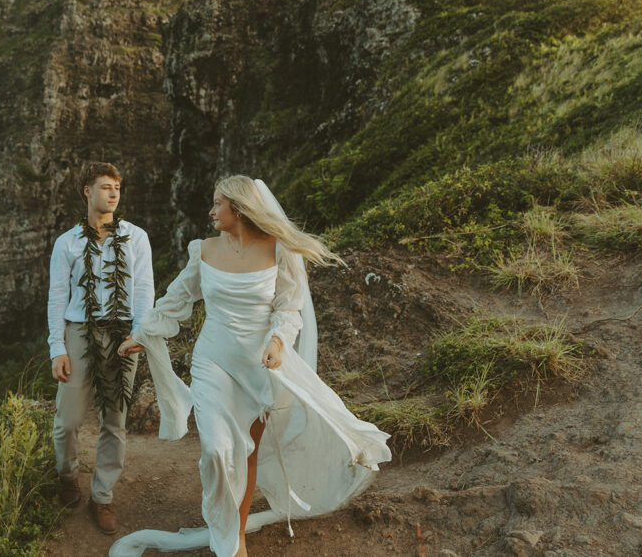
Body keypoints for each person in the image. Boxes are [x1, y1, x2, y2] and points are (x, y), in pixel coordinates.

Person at [111, 175, 391, 557]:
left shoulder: (278, 251)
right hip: (212, 360)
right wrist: (142, 333)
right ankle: (226, 532)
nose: (210, 211)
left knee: (247, 453)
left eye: (217, 204)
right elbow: (177, 297)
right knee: (215, 450)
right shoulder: (205, 250)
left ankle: (235, 536)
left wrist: (277, 343)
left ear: (238, 209)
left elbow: (288, 307)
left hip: (258, 366)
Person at [47, 162, 154, 535]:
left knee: (115, 421)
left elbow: (144, 291)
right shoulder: (67, 243)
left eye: (117, 188)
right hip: (80, 331)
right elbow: (57, 297)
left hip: (123, 334)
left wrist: (139, 334)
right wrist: (56, 348)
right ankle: (66, 476)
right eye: (105, 187)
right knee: (68, 420)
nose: (113, 193)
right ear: (87, 192)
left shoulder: (136, 238)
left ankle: (102, 496)